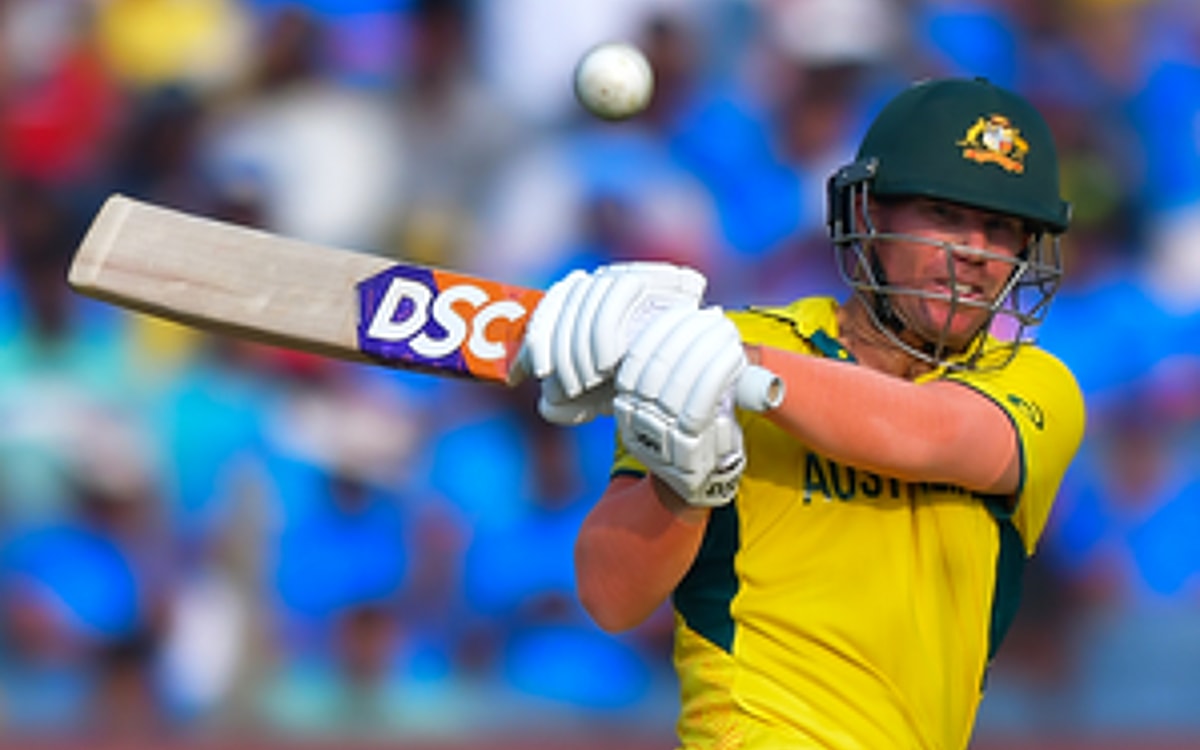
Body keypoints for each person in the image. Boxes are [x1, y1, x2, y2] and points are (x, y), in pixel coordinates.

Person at [523, 77, 1086, 749]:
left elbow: (925, 430)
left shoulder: (1035, 385)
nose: (973, 249)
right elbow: (611, 597)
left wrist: (728, 365)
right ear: (869, 215)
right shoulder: (730, 346)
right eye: (943, 213)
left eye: (1001, 228)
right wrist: (682, 485)